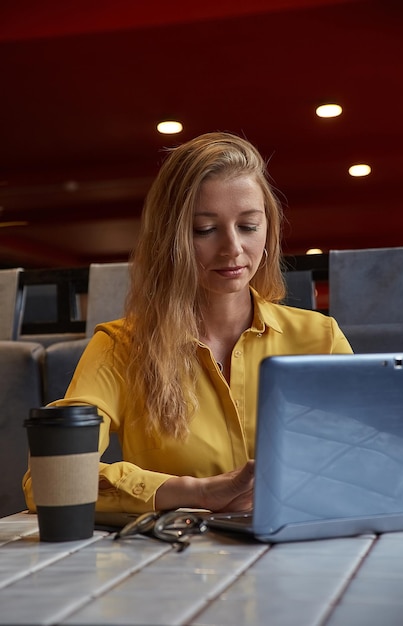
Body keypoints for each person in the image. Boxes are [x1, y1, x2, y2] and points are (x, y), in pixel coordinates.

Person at [23, 132, 352, 515]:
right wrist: (195, 492)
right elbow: (49, 479)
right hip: (177, 562)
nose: (233, 248)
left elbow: (379, 463)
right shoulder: (120, 347)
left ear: (269, 229)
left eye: (248, 226)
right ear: (170, 238)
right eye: (205, 230)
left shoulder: (320, 339)